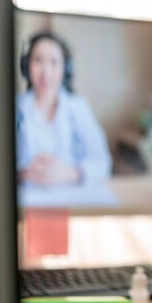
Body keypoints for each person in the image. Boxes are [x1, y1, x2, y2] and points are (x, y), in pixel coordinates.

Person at [17, 31, 112, 187]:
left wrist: (71, 172)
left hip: (70, 200)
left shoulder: (78, 107)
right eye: (38, 61)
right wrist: (23, 174)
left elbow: (103, 163)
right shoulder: (17, 108)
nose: (45, 72)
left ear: (65, 69)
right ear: (27, 66)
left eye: (54, 62)